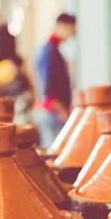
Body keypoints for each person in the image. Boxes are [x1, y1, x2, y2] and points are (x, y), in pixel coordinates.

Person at [32, 13, 77, 147]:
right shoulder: (49, 51)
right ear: (62, 26)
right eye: (71, 29)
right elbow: (47, 85)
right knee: (53, 155)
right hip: (51, 112)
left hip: (51, 111)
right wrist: (61, 109)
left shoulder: (50, 49)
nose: (72, 34)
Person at [0, 55, 34, 125]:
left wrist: (1, 89)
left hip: (21, 113)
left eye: (12, 66)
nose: (11, 69)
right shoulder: (16, 79)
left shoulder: (22, 80)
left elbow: (12, 88)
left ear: (18, 66)